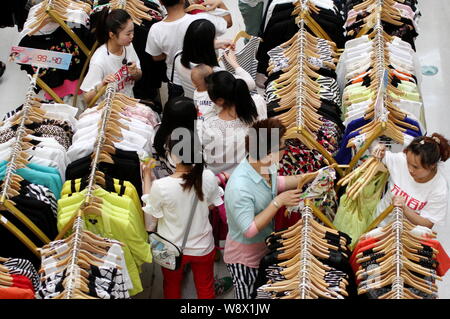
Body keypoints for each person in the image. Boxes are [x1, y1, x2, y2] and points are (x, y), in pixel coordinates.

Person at [223, 118, 307, 299]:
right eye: (283, 147)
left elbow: (279, 182)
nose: (287, 150)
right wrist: (277, 202)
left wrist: (310, 177)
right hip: (245, 260)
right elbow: (249, 230)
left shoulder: (266, 165)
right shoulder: (240, 187)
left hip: (264, 249)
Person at [141, 127, 224, 299]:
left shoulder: (162, 186)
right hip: (203, 247)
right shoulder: (208, 177)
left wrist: (147, 177)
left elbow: (152, 218)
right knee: (205, 287)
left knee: (171, 286)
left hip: (171, 248)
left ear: (172, 155)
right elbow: (211, 206)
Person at [145, 0, 232, 99]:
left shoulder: (156, 29)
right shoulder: (201, 19)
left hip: (177, 81)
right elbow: (228, 22)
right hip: (206, 77)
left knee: (183, 111)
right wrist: (220, 4)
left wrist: (171, 52)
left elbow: (156, 57)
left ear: (160, 2)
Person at [372, 133, 450, 228]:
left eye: (415, 167)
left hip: (407, 237)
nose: (409, 169)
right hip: (379, 224)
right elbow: (377, 151)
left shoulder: (439, 188)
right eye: (408, 162)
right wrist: (379, 148)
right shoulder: (401, 161)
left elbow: (428, 223)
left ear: (432, 166)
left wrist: (404, 208)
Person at [201, 71, 267, 175]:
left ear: (219, 101)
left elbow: (209, 160)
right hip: (251, 176)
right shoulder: (258, 104)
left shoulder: (209, 126)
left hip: (220, 181)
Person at [175, 19, 255, 98]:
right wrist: (234, 63)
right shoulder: (216, 74)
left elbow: (194, 45)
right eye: (214, 38)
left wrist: (215, 44)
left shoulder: (178, 57)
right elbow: (251, 84)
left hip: (191, 102)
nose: (216, 40)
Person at [81, 8, 142, 105]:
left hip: (128, 105)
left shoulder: (128, 46)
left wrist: (135, 73)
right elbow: (87, 99)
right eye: (128, 34)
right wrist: (102, 85)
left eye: (132, 32)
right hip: (107, 111)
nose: (132, 36)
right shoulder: (99, 61)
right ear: (112, 35)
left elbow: (138, 75)